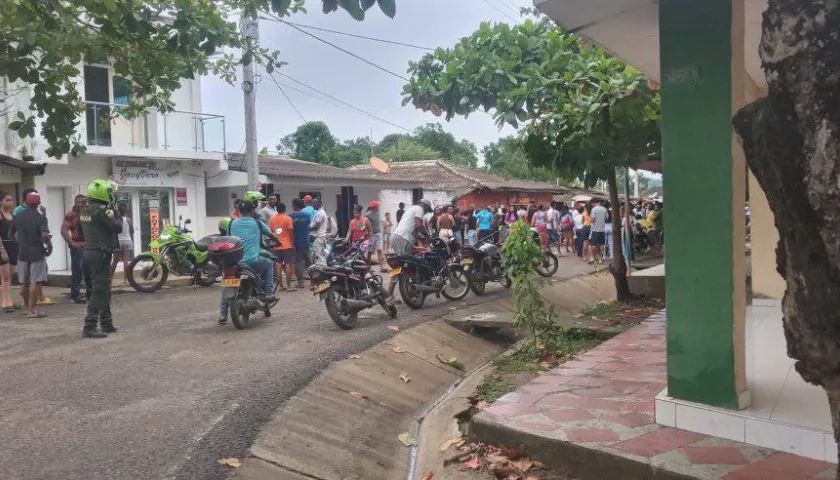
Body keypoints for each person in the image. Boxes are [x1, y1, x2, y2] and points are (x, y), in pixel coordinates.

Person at [78, 179, 123, 337]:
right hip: (100, 253)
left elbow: (80, 230)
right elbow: (118, 227)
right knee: (100, 289)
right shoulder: (102, 212)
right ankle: (90, 326)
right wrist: (117, 212)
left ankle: (106, 322)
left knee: (102, 288)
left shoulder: (84, 211)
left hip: (88, 252)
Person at [229, 194, 276, 303]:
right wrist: (277, 241)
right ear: (252, 210)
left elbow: (229, 238)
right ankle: (268, 292)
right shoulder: (257, 222)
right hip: (252, 260)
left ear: (240, 211)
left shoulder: (232, 223)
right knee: (269, 263)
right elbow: (270, 234)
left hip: (235, 261)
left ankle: (223, 313)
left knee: (228, 282)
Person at [10, 192, 51, 319]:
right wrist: (49, 244)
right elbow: (44, 235)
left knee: (24, 282)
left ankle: (27, 308)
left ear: (26, 202)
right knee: (35, 281)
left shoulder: (17, 216)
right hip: (37, 252)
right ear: (38, 203)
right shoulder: (41, 217)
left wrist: (20, 242)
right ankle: (32, 311)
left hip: (22, 252)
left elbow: (11, 234)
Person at [61, 194, 91, 303]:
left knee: (89, 271)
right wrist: (71, 243)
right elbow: (63, 230)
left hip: (89, 246)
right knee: (77, 270)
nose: (80, 203)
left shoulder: (88, 213)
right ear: (74, 202)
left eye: (82, 201)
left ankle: (90, 294)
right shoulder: (71, 214)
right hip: (78, 247)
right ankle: (75, 294)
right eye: (78, 201)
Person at [269, 203, 296, 292]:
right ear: (284, 209)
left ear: (277, 209)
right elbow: (291, 232)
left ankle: (280, 286)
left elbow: (273, 231)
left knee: (278, 264)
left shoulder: (272, 219)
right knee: (288, 264)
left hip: (277, 245)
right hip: (287, 245)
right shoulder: (288, 219)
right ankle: (288, 286)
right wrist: (292, 242)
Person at [0, 192, 18, 312]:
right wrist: (2, 249)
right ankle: (5, 302)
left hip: (13, 247)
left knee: (10, 275)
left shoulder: (12, 215)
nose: (10, 202)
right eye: (7, 200)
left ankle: (9, 299)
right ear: (1, 201)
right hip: (3, 246)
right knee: (5, 276)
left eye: (11, 200)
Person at [109, 201, 134, 284]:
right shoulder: (128, 220)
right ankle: (126, 280)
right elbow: (132, 231)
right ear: (125, 210)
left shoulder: (115, 219)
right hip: (127, 241)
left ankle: (110, 279)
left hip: (117, 242)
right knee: (126, 262)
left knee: (115, 261)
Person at [289, 198, 311, 289]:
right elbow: (309, 227)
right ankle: (314, 282)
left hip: (295, 242)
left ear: (294, 205)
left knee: (297, 262)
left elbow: (289, 230)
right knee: (309, 261)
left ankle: (300, 282)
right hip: (305, 241)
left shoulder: (290, 216)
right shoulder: (307, 215)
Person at [365, 201, 386, 270]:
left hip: (378, 233)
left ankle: (382, 267)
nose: (379, 207)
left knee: (379, 251)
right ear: (374, 207)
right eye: (378, 206)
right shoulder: (367, 215)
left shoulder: (377, 213)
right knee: (370, 252)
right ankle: (368, 267)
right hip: (372, 235)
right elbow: (365, 225)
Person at [589, 199, 608, 264]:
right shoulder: (604, 209)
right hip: (602, 230)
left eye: (592, 203)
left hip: (594, 230)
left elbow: (593, 219)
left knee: (593, 245)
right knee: (601, 245)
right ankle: (600, 258)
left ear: (595, 203)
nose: (592, 205)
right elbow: (606, 218)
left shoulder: (594, 209)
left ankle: (593, 258)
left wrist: (590, 218)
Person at [309, 198, 328, 264]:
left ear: (319, 204)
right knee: (322, 256)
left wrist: (307, 228)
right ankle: (324, 270)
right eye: (312, 203)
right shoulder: (320, 212)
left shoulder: (320, 213)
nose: (312, 205)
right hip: (320, 237)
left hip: (318, 238)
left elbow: (316, 227)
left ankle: (321, 272)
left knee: (319, 256)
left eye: (314, 203)